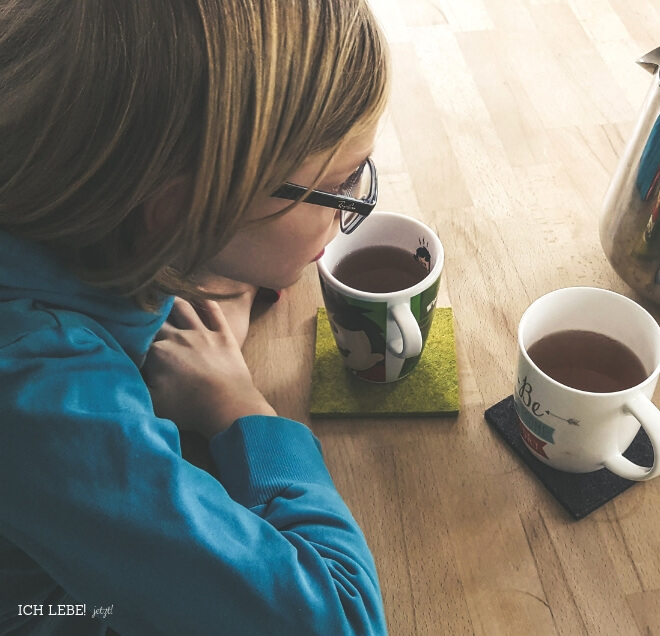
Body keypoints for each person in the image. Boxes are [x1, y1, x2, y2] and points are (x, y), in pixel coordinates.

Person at [0, 1, 390, 634]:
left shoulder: (69, 172)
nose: (354, 207)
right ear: (181, 207)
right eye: (340, 187)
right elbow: (339, 618)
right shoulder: (41, 400)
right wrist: (242, 409)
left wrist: (204, 255)